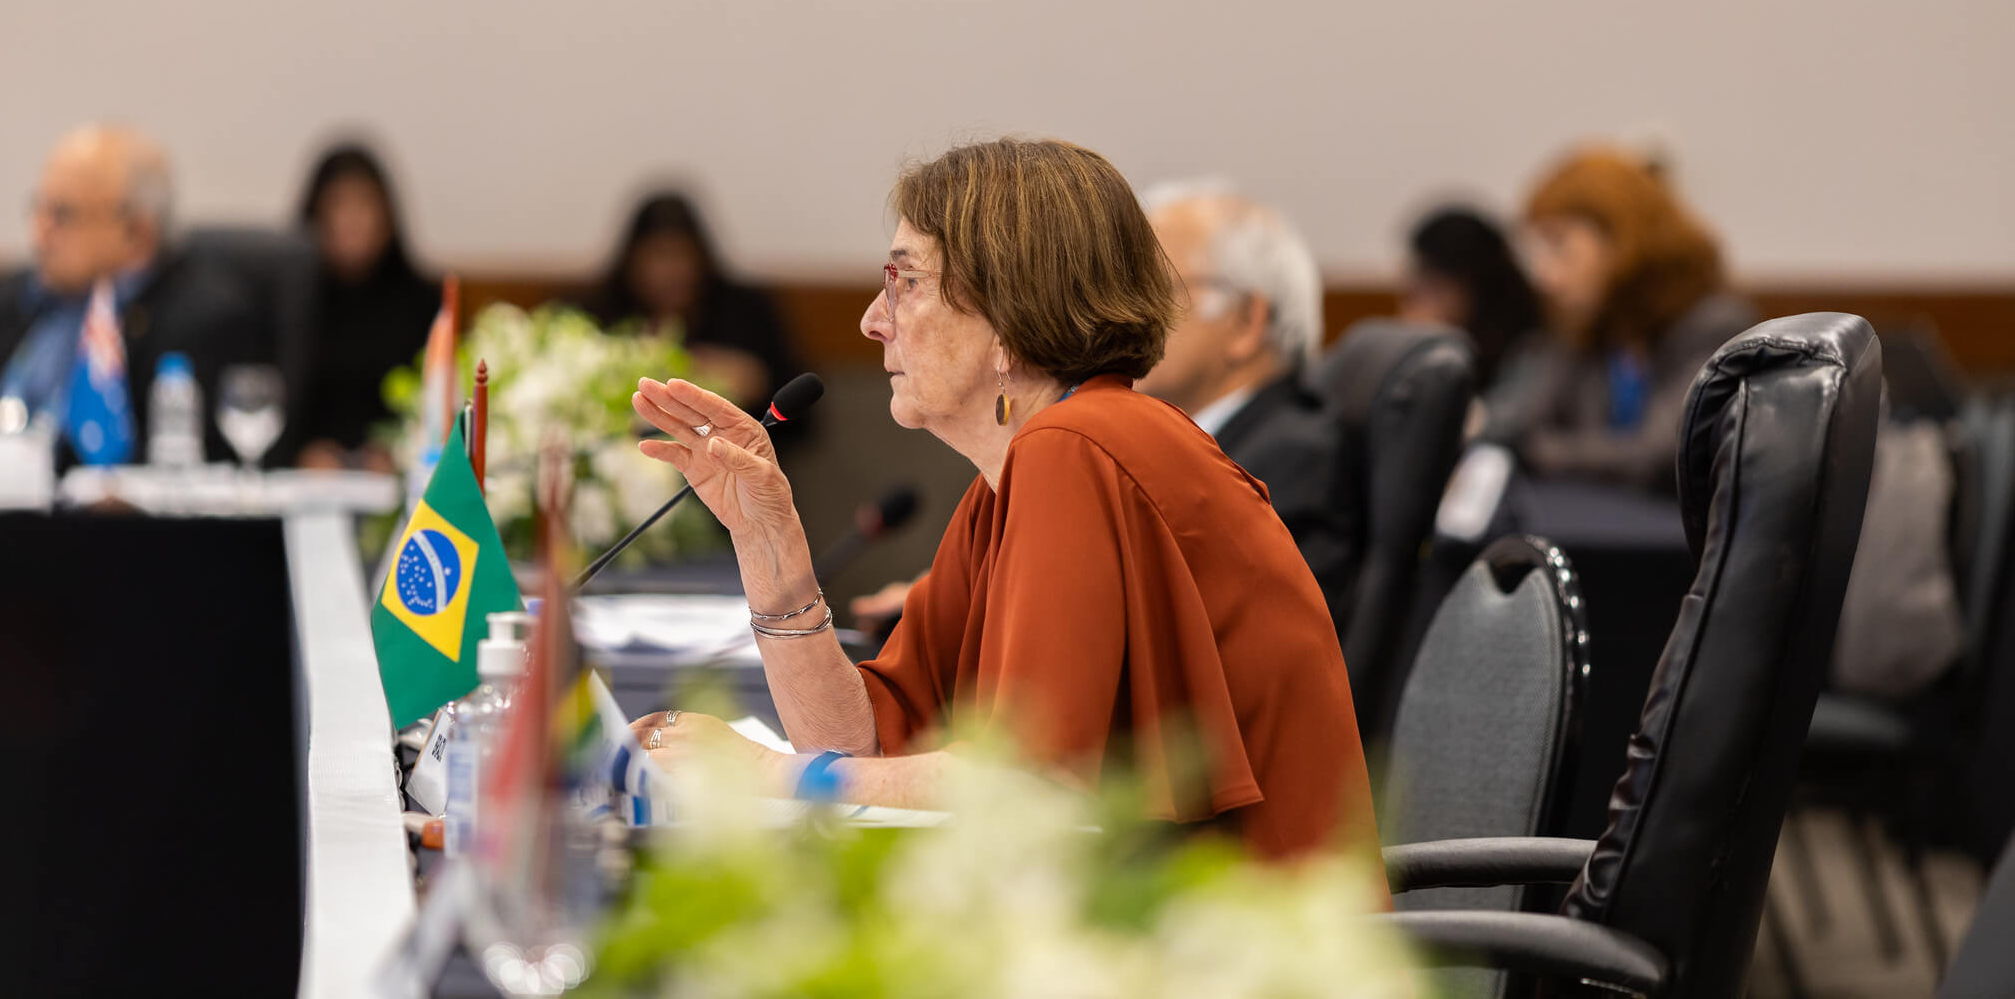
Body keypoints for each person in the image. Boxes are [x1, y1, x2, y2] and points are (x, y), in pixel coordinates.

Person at [628, 139, 1380, 864]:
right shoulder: (1014, 475)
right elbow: (862, 747)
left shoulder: (1079, 447)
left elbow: (1027, 784)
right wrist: (768, 538)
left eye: (905, 282)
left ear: (1009, 322)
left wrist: (765, 774)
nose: (871, 319)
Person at [0, 125, 264, 464]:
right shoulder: (13, 298)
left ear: (136, 232)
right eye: (39, 209)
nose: (40, 230)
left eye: (62, 214)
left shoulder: (200, 320)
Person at [1134, 181, 1353, 619]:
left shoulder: (1293, 461)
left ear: (1247, 322)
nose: (1123, 313)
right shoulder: (1194, 447)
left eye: (1153, 287)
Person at [1484, 146, 1756, 493]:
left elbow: (1658, 456)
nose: (1544, 275)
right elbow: (1518, 419)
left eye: (1559, 245)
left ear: (1622, 240)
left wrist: (1532, 449)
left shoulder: (1714, 324)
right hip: (1595, 530)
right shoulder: (1589, 324)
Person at [293, 144, 441, 470]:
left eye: (365, 203)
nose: (352, 220)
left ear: (388, 217)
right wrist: (300, 453)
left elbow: (438, 403)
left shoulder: (424, 301)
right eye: (338, 204)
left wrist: (400, 452)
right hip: (307, 480)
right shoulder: (291, 302)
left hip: (399, 477)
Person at [589, 191, 797, 417]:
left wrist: (757, 381)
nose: (672, 272)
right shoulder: (596, 309)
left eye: (682, 255)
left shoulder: (747, 311)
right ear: (631, 260)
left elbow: (799, 416)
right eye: (658, 255)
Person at [1399, 205, 1546, 397]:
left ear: (1472, 283)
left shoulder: (1531, 349)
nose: (1419, 303)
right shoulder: (1440, 340)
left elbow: (1502, 421)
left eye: (1433, 286)